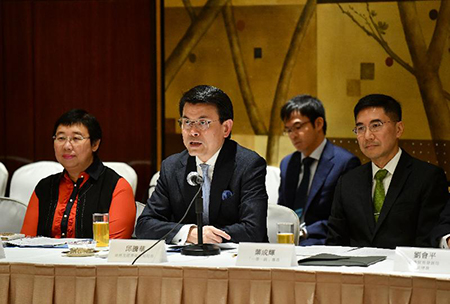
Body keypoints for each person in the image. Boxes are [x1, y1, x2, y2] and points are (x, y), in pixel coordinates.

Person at [135, 85, 268, 244]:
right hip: (186, 260)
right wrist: (190, 233)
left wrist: (207, 237)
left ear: (226, 128)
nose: (193, 131)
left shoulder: (248, 165)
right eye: (187, 122)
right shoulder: (171, 167)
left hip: (235, 260)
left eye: (203, 122)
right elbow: (145, 225)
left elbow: (254, 230)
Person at [326, 94, 448, 249]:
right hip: (355, 271)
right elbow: (334, 243)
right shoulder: (348, 182)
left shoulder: (428, 178)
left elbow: (428, 240)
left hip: (405, 270)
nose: (367, 136)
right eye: (360, 128)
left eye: (376, 125)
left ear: (398, 129)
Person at [21, 109, 136, 239]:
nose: (67, 146)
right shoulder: (44, 187)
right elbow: (26, 242)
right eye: (61, 138)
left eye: (76, 138)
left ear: (95, 144)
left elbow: (113, 248)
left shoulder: (116, 187)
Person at [278, 95, 360, 245]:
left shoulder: (345, 163)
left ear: (318, 123)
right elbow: (282, 211)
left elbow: (346, 218)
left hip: (322, 242)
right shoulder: (287, 163)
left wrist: (303, 232)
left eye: (298, 127)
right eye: (288, 130)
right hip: (287, 243)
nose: (293, 135)